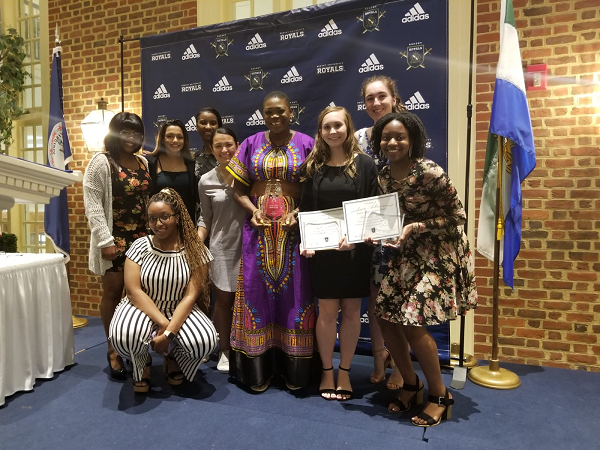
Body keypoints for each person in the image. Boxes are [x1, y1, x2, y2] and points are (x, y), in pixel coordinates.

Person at [371, 111, 478, 426]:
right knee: (386, 318)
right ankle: (410, 382)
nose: (392, 142)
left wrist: (417, 226)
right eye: (386, 137)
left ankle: (440, 395)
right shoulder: (384, 176)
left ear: (412, 139)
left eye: (399, 136)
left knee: (413, 323)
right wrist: (375, 234)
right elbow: (391, 219)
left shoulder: (430, 171)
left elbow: (458, 217)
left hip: (439, 253)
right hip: (407, 253)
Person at [227, 91, 316, 392]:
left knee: (297, 295)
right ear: (263, 114)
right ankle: (257, 369)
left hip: (296, 234)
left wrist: (299, 212)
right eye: (268, 112)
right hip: (258, 233)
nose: (274, 116)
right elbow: (237, 189)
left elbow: (318, 189)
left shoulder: (307, 144)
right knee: (256, 293)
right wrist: (253, 211)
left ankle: (296, 370)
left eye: (280, 111)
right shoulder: (250, 144)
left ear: (291, 112)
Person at [299, 106, 378, 401]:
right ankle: (326, 370)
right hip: (324, 253)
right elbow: (306, 210)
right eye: (327, 127)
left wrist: (357, 238)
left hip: (355, 253)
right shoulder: (313, 167)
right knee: (327, 313)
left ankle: (345, 371)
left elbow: (371, 210)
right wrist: (305, 240)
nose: (333, 132)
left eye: (338, 126)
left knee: (353, 312)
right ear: (320, 132)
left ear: (348, 128)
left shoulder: (366, 164)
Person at [109, 188, 217, 393]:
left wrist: (169, 333)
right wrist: (165, 325)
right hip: (141, 306)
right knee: (123, 336)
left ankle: (172, 357)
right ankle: (142, 361)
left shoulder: (196, 249)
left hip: (179, 305)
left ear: (177, 217)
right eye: (152, 219)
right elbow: (133, 291)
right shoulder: (140, 246)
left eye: (165, 217)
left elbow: (191, 295)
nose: (158, 224)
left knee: (203, 341)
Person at [83, 112, 151, 380]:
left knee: (138, 294)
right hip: (115, 238)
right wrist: (104, 240)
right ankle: (113, 349)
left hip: (142, 240)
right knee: (112, 293)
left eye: (135, 134)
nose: (130, 139)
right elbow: (93, 204)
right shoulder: (101, 162)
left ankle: (135, 344)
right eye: (125, 133)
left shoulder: (143, 161)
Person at [356, 75, 406, 389]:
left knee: (399, 299)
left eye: (381, 96)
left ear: (393, 97)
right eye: (370, 98)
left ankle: (401, 366)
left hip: (400, 228)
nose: (376, 103)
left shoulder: (405, 131)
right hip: (368, 229)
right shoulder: (360, 138)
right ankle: (379, 358)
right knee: (375, 300)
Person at [197, 127, 246, 373]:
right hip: (222, 248)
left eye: (229, 145)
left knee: (251, 301)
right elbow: (205, 219)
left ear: (237, 145)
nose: (224, 150)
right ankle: (224, 350)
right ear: (212, 149)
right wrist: (197, 244)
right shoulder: (205, 180)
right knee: (224, 301)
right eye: (218, 146)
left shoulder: (251, 175)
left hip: (250, 246)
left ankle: (250, 350)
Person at [147, 119, 198, 222]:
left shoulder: (192, 164)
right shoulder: (151, 162)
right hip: (160, 225)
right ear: (162, 139)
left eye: (180, 137)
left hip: (187, 225)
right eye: (169, 136)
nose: (175, 140)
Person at [194, 107, 222, 179]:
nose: (208, 127)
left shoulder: (229, 155)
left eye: (213, 123)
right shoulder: (195, 158)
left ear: (219, 126)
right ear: (196, 126)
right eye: (203, 123)